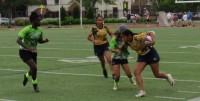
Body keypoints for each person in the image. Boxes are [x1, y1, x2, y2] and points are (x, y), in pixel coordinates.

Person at [120, 29, 175, 97]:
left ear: (129, 36)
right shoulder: (127, 42)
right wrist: (115, 49)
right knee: (136, 72)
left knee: (157, 74)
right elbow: (121, 47)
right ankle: (142, 91)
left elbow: (151, 32)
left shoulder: (137, 37)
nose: (122, 38)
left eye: (123, 37)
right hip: (142, 56)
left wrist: (153, 40)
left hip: (151, 54)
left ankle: (167, 76)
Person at [16, 12, 49, 92]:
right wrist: (28, 48)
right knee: (34, 67)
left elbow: (39, 41)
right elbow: (18, 40)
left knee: (33, 69)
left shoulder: (40, 30)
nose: (40, 21)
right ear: (33, 21)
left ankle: (26, 75)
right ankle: (35, 84)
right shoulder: (27, 29)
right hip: (24, 51)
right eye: (38, 20)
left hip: (33, 52)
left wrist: (44, 41)